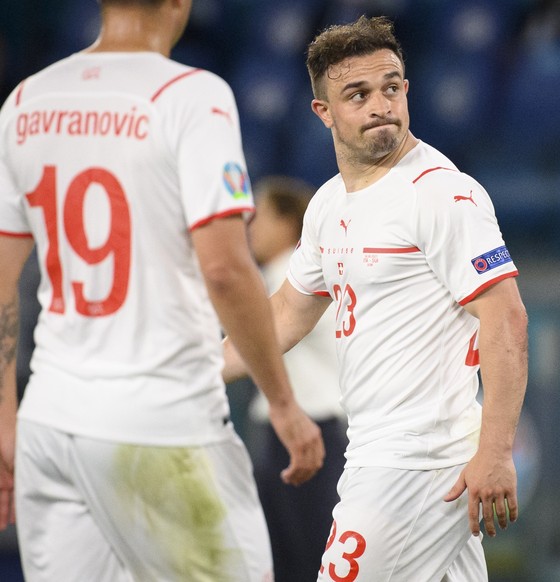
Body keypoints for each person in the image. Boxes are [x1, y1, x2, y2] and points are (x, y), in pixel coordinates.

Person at [0, 1, 325, 580]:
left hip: (49, 422)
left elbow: (2, 280)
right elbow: (225, 270)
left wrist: (4, 417)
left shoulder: (25, 101)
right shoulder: (191, 96)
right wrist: (281, 402)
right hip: (158, 426)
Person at [223, 15, 529, 581]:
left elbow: (506, 317)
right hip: (374, 452)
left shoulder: (442, 193)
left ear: (407, 91)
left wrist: (497, 448)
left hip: (418, 464)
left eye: (391, 87)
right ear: (323, 112)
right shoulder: (328, 204)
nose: (379, 104)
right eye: (357, 94)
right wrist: (196, 371)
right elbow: (288, 311)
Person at [246, 175, 348, 582]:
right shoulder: (303, 270)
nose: (250, 228)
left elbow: (252, 335)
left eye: (260, 217)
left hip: (303, 430)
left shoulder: (285, 274)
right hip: (314, 425)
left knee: (299, 558)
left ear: (288, 223)